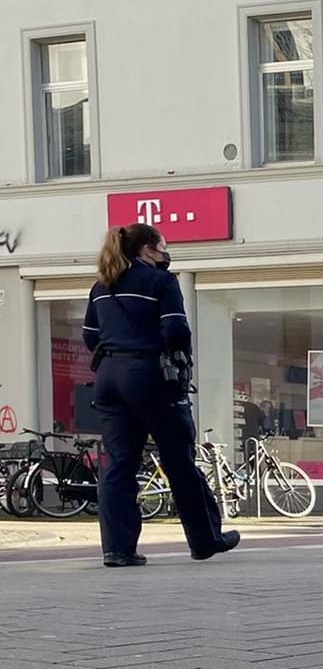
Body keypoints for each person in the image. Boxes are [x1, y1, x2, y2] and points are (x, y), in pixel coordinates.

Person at [84, 223, 239, 567]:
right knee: (178, 458)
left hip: (109, 377)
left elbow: (90, 336)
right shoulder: (161, 282)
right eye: (163, 246)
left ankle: (118, 549)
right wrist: (175, 360)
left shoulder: (101, 287)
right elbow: (176, 330)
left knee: (118, 464)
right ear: (147, 249)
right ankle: (204, 539)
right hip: (151, 375)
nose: (166, 253)